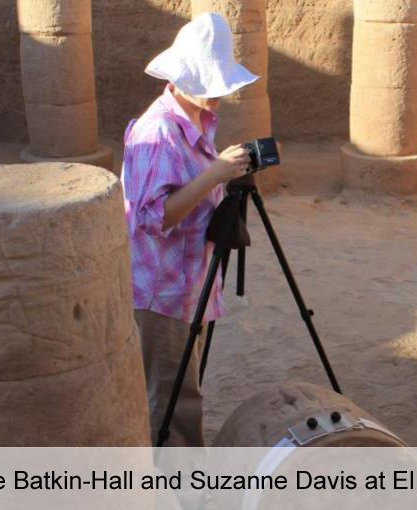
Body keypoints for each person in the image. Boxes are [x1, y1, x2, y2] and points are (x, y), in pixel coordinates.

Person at [121, 13, 257, 446]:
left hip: (185, 282)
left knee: (182, 390)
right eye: (210, 83)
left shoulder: (196, 118)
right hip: (160, 290)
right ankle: (177, 491)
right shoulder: (158, 131)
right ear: (180, 80)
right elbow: (153, 218)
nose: (219, 93)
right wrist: (214, 175)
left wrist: (221, 175)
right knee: (172, 400)